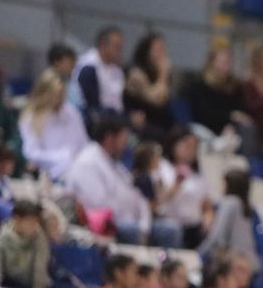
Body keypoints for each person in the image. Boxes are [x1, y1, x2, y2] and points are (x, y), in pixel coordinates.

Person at [65, 114, 181, 247]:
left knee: (170, 230)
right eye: (123, 138)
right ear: (110, 138)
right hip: (102, 224)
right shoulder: (87, 162)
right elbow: (98, 205)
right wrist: (133, 220)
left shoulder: (116, 164)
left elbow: (138, 197)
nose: (126, 144)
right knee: (131, 229)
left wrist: (144, 225)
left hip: (131, 221)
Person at [18, 69, 89, 182]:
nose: (59, 98)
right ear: (44, 93)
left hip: (77, 165)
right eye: (55, 94)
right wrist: (63, 157)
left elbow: (84, 143)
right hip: (49, 171)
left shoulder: (71, 112)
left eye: (61, 93)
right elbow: (31, 153)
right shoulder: (31, 117)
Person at [154, 127, 212, 249]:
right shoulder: (161, 167)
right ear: (174, 144)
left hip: (193, 228)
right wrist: (177, 183)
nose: (190, 150)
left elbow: (206, 205)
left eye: (194, 147)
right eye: (186, 145)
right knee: (173, 231)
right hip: (168, 225)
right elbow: (159, 199)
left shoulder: (198, 174)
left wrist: (208, 219)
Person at [0, 201, 50, 288]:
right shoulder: (1, 240)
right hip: (12, 285)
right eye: (30, 222)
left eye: (36, 222)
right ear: (17, 219)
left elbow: (40, 265)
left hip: (33, 284)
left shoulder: (39, 237)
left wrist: (38, 287)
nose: (34, 226)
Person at [186, 46, 252, 143]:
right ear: (212, 63)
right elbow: (203, 113)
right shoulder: (200, 85)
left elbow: (240, 110)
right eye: (223, 62)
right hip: (204, 129)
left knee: (247, 128)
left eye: (229, 62)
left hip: (229, 131)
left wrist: (231, 125)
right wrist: (230, 116)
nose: (227, 66)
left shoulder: (234, 86)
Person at [123, 32, 175, 141]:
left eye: (163, 50)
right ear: (146, 52)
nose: (163, 54)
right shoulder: (136, 73)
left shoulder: (157, 73)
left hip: (160, 121)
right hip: (142, 122)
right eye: (158, 50)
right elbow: (156, 100)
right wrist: (163, 75)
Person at [197, 169, 257, 263]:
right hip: (249, 261)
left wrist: (199, 253)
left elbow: (217, 237)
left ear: (230, 186)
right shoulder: (244, 206)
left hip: (233, 262)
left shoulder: (230, 202)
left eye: (223, 184)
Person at [73, 25, 126, 122]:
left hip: (115, 118)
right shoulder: (88, 67)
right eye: (116, 47)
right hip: (95, 119)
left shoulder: (117, 69)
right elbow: (90, 105)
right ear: (103, 46)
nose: (120, 51)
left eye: (121, 47)